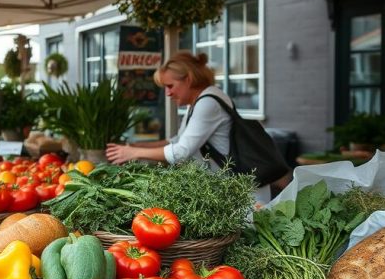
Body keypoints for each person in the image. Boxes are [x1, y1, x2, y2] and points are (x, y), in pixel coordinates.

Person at [104, 52, 271, 202]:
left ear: (188, 79)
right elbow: (176, 141)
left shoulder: (208, 103)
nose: (168, 93)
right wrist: (136, 146)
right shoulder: (199, 102)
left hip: (239, 195)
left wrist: (134, 153)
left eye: (170, 86)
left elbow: (181, 152)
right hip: (226, 189)